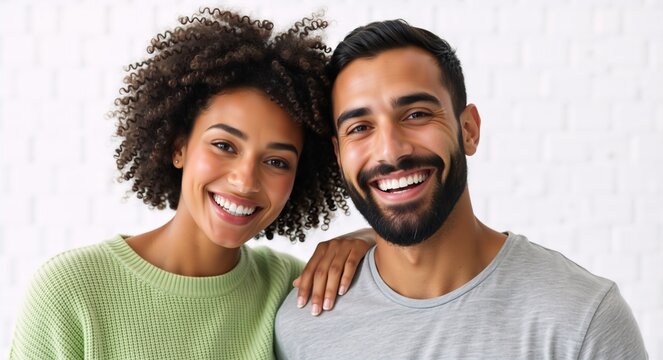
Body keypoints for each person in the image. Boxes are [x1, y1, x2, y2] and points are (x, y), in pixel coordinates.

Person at [9, 8, 375, 359]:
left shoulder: (291, 288)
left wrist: (368, 240)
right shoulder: (71, 291)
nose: (245, 180)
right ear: (178, 146)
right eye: (224, 145)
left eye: (276, 161)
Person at [275, 19, 648, 359]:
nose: (390, 151)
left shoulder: (581, 318)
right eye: (360, 127)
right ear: (339, 155)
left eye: (416, 114)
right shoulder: (302, 328)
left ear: (468, 129)